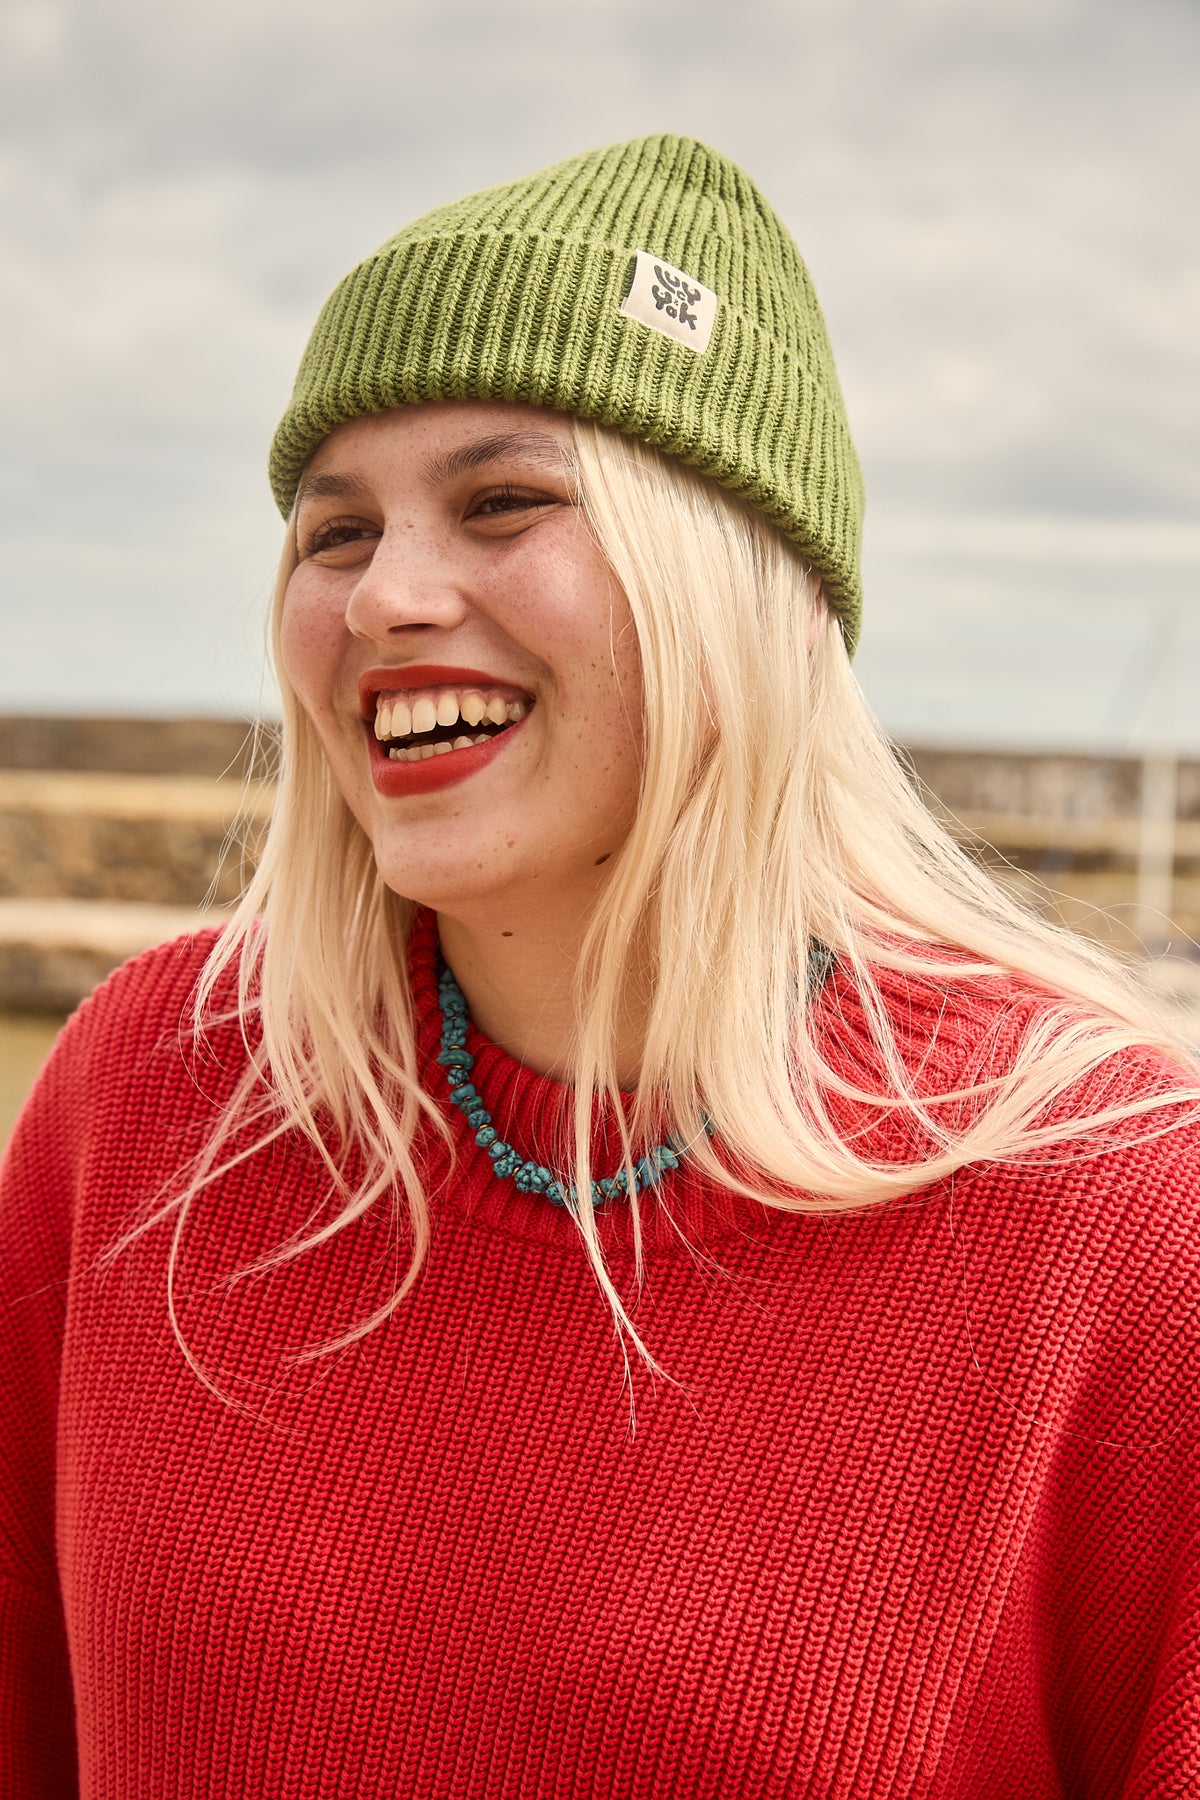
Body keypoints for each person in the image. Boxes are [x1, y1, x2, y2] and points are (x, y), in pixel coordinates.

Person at [1, 134, 1197, 1799]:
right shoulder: (153, 1092)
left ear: (753, 590)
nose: (386, 595)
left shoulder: (1116, 1217)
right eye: (335, 530)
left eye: (504, 503)